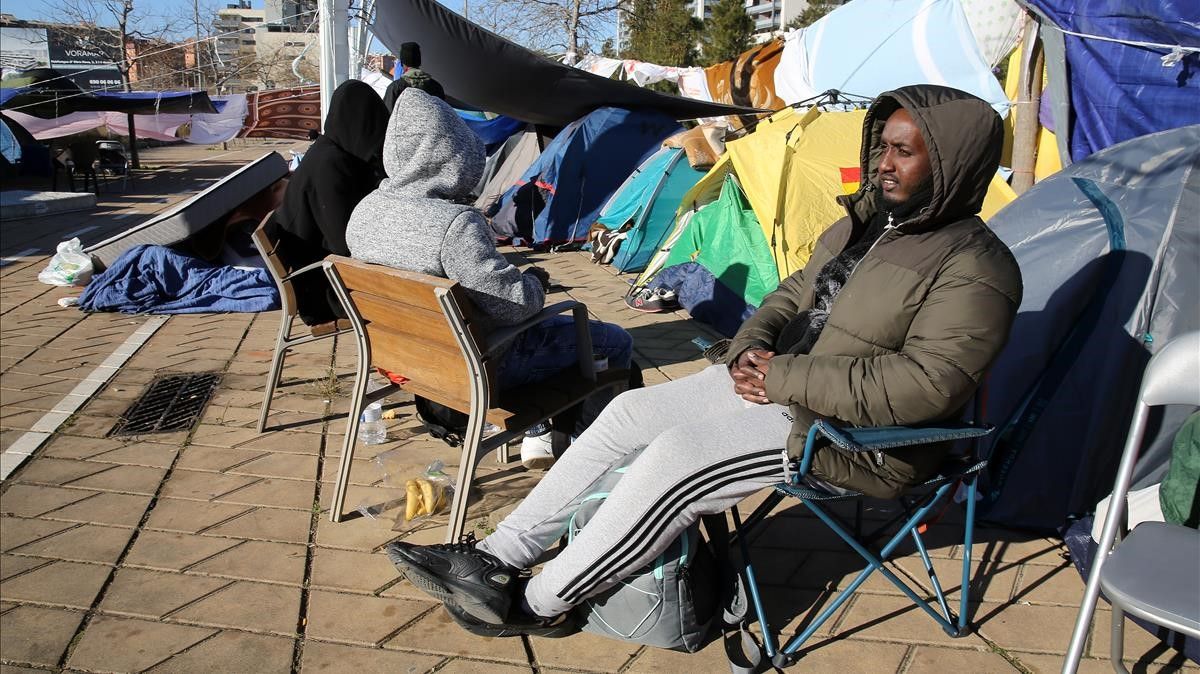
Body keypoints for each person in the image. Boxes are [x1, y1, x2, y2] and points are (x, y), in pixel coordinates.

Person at [383, 84, 1025, 636]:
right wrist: (751, 347)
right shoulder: (867, 223)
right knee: (629, 412)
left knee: (679, 460)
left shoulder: (976, 266)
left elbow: (926, 386)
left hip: (859, 437)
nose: (883, 164)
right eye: (880, 146)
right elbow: (794, 291)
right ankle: (496, 556)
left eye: (902, 152)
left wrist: (782, 376)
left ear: (951, 163)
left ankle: (538, 602)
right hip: (783, 386)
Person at [345, 87, 633, 469]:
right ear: (453, 156)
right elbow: (514, 307)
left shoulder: (364, 211)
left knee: (543, 336)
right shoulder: (454, 224)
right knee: (613, 341)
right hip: (473, 369)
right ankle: (595, 455)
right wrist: (535, 282)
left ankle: (539, 434)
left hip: (410, 361)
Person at [265, 79, 389, 327]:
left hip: (321, 280)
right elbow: (346, 243)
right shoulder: (332, 166)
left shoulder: (329, 153)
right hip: (326, 293)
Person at [383, 42, 446, 111]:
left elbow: (386, 115)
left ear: (402, 63)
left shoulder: (395, 88)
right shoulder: (436, 86)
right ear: (419, 62)